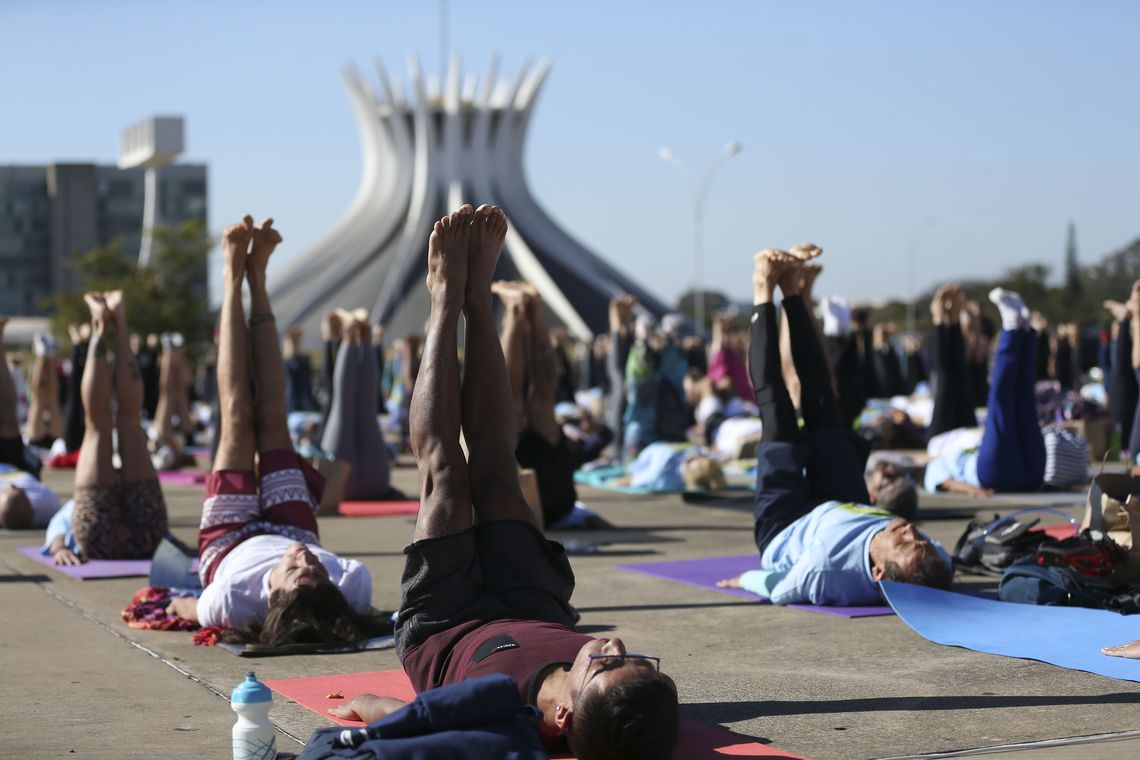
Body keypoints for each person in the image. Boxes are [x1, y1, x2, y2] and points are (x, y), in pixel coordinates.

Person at [328, 204, 679, 760]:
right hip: (531, 602)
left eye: (609, 663)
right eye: (636, 658)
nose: (614, 643)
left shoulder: (504, 714)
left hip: (447, 624)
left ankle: (445, 300)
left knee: (445, 477)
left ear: (562, 714)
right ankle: (478, 300)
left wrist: (366, 704)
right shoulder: (619, 704)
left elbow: (404, 717)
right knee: (496, 468)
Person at [164, 216, 372, 644]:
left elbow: (188, 607)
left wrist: (171, 604)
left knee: (237, 416)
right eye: (318, 572)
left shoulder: (232, 600)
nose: (307, 561)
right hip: (291, 524)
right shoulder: (350, 584)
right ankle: (257, 276)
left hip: (228, 544)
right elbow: (313, 564)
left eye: (297, 573)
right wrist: (300, 556)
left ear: (271, 594)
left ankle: (230, 277)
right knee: (274, 417)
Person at [717, 249, 951, 606]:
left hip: (786, 527)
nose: (909, 528)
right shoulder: (934, 560)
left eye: (904, 541)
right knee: (823, 400)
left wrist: (746, 579)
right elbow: (933, 563)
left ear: (876, 571)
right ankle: (793, 292)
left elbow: (780, 590)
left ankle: (764, 288)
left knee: (776, 408)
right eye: (918, 535)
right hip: (843, 506)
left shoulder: (825, 571)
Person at [46, 291, 169, 564]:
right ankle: (117, 322)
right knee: (126, 420)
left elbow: (57, 525)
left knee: (98, 424)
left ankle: (102, 324)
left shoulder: (64, 508)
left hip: (107, 540)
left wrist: (58, 548)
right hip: (147, 537)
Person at [923, 288, 1048, 496]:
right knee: (1009, 402)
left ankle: (1023, 330)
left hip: (1021, 475)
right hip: (994, 474)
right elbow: (946, 484)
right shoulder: (935, 468)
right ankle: (1015, 329)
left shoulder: (942, 453)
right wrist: (974, 491)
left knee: (1019, 402)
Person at [494, 280, 581, 528]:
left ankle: (518, 310)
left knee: (513, 399)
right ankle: (528, 309)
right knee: (539, 399)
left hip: (527, 497)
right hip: (554, 499)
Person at [319, 308, 396, 501]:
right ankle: (359, 334)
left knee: (344, 407)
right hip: (375, 483)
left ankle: (354, 334)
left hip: (342, 484)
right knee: (365, 410)